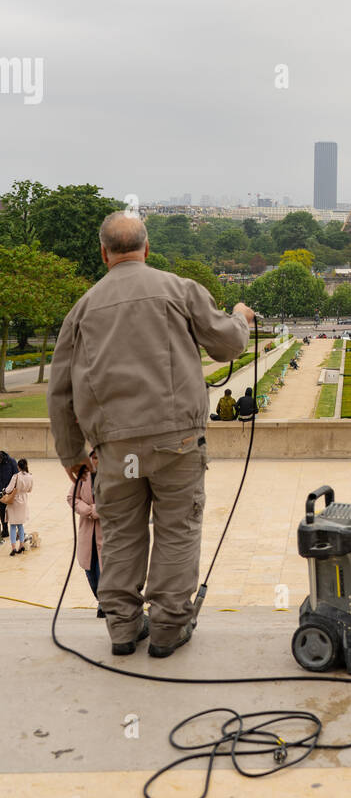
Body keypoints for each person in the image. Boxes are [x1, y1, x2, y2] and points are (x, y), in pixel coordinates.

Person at [47, 211, 253, 660]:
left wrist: (70, 452)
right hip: (176, 441)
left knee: (120, 533)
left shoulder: (81, 308)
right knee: (178, 531)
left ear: (103, 253)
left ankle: (122, 629)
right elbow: (228, 345)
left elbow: (59, 387)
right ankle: (168, 629)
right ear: (147, 248)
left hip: (115, 448)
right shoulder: (178, 289)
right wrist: (240, 316)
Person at [67, 449, 105, 616]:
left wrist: (101, 510)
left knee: (103, 570)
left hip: (105, 536)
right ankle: (101, 599)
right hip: (87, 533)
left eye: (99, 458)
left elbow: (122, 500)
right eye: (94, 458)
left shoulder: (113, 477)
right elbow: (71, 497)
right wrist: (88, 510)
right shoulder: (83, 476)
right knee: (90, 572)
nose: (96, 461)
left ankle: (105, 603)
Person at [3, 458, 33, 556]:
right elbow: (30, 490)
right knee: (20, 525)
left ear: (18, 466)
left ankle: (13, 548)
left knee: (12, 525)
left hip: (14, 501)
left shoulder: (15, 477)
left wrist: (4, 490)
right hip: (23, 501)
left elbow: (8, 490)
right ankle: (21, 545)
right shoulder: (30, 476)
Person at [0, 448, 17, 539]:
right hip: (0, 493)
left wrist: (12, 490)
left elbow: (16, 476)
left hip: (9, 492)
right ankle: (5, 530)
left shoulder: (11, 461)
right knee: (2, 512)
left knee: (13, 512)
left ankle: (18, 532)